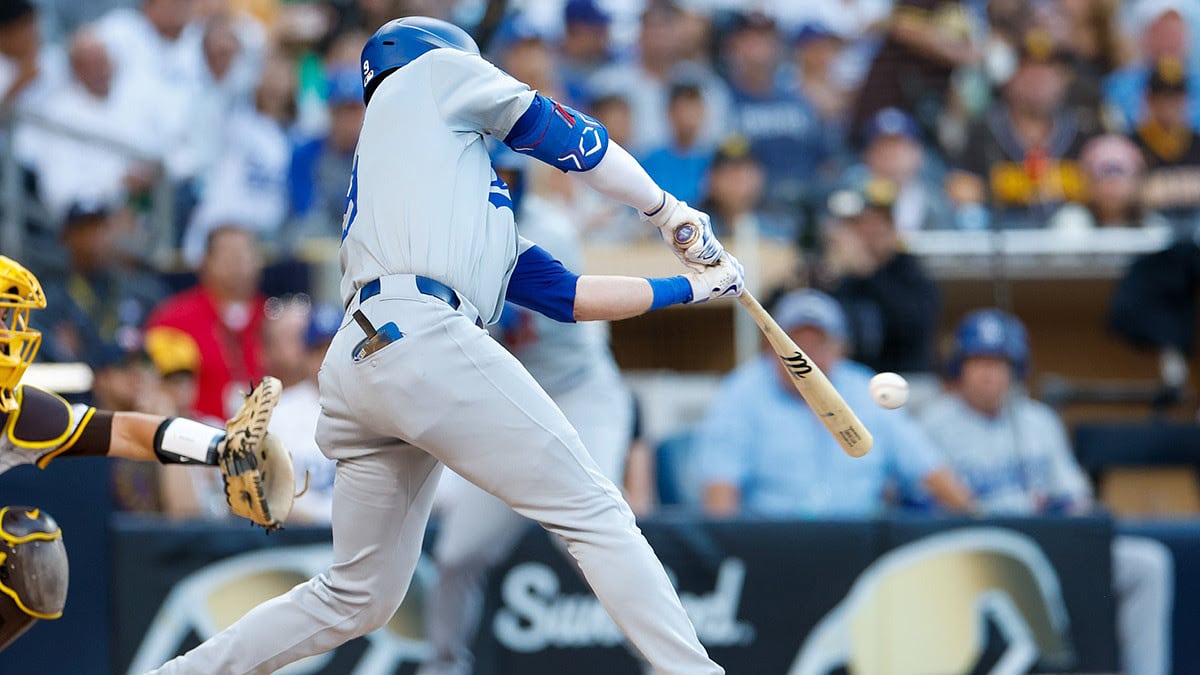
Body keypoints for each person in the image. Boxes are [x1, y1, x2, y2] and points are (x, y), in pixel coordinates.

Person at [149, 16, 741, 675]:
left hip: (366, 356)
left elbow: (568, 296)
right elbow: (562, 132)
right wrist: (665, 208)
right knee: (593, 507)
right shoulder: (428, 76)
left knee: (357, 594)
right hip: (420, 332)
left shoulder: (439, 192)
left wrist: (690, 288)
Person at [420, 147, 637, 675]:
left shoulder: (550, 230)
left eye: (508, 175)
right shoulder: (447, 231)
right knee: (457, 554)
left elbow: (495, 320)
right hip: (515, 404)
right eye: (490, 175)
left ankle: (673, 663)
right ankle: (443, 664)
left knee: (592, 534)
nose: (501, 184)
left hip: (582, 394)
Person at [0, 254, 283, 648]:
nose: (8, 333)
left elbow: (126, 431)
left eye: (7, 318)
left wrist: (219, 447)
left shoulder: (16, 412)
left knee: (29, 550)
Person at [918, 309, 1174, 675]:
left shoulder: (1038, 420)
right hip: (973, 554)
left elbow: (1075, 498)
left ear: (1017, 370)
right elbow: (917, 505)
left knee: (1148, 564)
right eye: (978, 361)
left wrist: (1066, 511)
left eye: (998, 362)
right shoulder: (934, 423)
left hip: (1046, 545)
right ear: (960, 368)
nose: (988, 373)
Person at [693, 288, 972, 518]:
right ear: (770, 347)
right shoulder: (741, 393)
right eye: (793, 343)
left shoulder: (864, 388)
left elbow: (927, 468)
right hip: (775, 548)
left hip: (859, 546)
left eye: (819, 344)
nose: (805, 355)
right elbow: (720, 493)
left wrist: (977, 521)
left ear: (840, 348)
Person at [812, 178, 941, 374]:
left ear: (891, 228)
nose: (869, 233)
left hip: (905, 379)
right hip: (847, 380)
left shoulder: (909, 270)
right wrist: (830, 273)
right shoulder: (841, 274)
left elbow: (913, 329)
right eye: (860, 224)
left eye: (878, 223)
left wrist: (869, 273)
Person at [145, 225, 267, 420]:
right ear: (206, 262)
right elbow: (154, 386)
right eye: (228, 255)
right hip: (196, 436)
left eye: (244, 254)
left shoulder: (275, 319)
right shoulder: (173, 320)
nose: (236, 263)